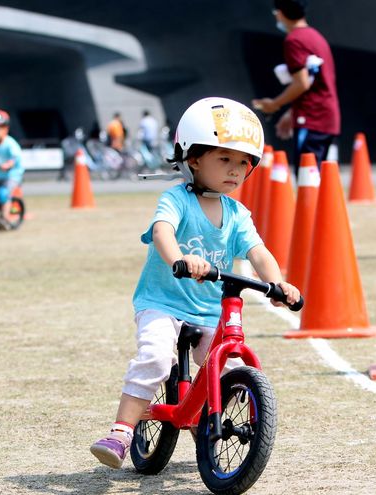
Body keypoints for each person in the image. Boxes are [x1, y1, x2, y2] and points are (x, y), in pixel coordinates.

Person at [89, 98, 300, 469]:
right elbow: (162, 231)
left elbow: (259, 252)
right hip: (163, 301)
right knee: (156, 357)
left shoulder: (237, 214)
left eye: (243, 163)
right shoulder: (176, 200)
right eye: (224, 159)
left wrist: (278, 284)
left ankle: (207, 418)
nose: (236, 170)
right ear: (193, 158)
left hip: (208, 308)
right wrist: (180, 260)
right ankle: (121, 431)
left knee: (222, 364)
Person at [252, 0, 340, 178]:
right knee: (316, 177)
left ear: (280, 13)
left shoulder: (294, 40)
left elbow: (302, 83)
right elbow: (316, 83)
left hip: (312, 117)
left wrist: (274, 104)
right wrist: (291, 112)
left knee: (306, 177)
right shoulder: (316, 37)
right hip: (325, 116)